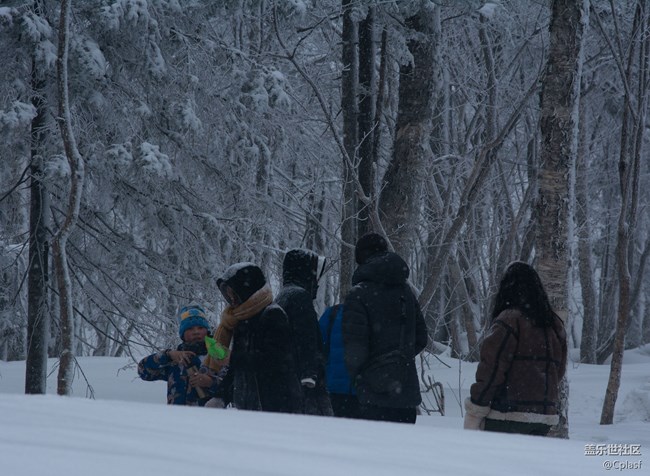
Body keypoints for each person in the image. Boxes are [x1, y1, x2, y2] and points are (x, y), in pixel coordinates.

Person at [463, 261, 568, 436]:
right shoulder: (554, 324)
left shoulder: (509, 320)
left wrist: (476, 409)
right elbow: (559, 370)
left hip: (507, 416)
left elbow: (491, 369)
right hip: (544, 418)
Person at [343, 232, 429, 424]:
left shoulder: (358, 294)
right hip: (405, 393)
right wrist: (399, 358)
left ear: (361, 259)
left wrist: (363, 374)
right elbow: (422, 337)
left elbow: (355, 351)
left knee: (371, 452)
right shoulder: (406, 292)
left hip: (371, 395)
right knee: (402, 453)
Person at [210, 262, 303, 414]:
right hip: (249, 407)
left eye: (233, 293)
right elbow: (236, 368)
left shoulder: (273, 315)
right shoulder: (242, 321)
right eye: (228, 294)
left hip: (276, 406)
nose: (231, 298)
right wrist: (220, 397)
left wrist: (232, 358)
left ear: (246, 290)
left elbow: (275, 360)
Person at [275, 249, 333, 416]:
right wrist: (310, 373)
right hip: (306, 388)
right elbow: (306, 339)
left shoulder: (283, 296)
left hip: (289, 383)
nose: (317, 282)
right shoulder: (300, 298)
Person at [137, 304, 223, 406]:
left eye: (200, 327)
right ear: (182, 334)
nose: (196, 332)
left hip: (208, 419)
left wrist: (210, 382)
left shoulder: (219, 356)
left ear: (207, 331)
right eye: (190, 328)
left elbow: (234, 387)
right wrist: (168, 355)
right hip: (175, 419)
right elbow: (143, 371)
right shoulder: (175, 360)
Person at [319, 303, 360, 419]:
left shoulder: (333, 313)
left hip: (335, 387)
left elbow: (319, 345)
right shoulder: (373, 314)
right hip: (363, 389)